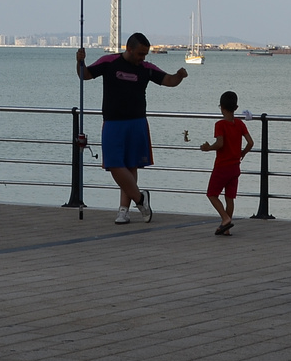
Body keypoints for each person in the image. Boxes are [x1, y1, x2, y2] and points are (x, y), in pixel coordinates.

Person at [76, 32, 186, 224]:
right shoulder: (109, 62)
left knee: (131, 164)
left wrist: (179, 76)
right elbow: (85, 75)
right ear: (129, 49)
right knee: (114, 164)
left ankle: (123, 211)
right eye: (140, 54)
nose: (142, 58)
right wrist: (80, 62)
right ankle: (141, 199)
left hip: (137, 122)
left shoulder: (146, 68)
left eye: (145, 54)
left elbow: (168, 80)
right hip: (112, 122)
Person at [199, 90, 253, 235]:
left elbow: (220, 144)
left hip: (222, 166)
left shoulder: (220, 124)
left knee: (211, 194)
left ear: (221, 107)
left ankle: (225, 219)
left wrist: (208, 147)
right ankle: (226, 230)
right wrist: (241, 154)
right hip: (235, 167)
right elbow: (250, 143)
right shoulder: (240, 124)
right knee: (230, 198)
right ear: (236, 108)